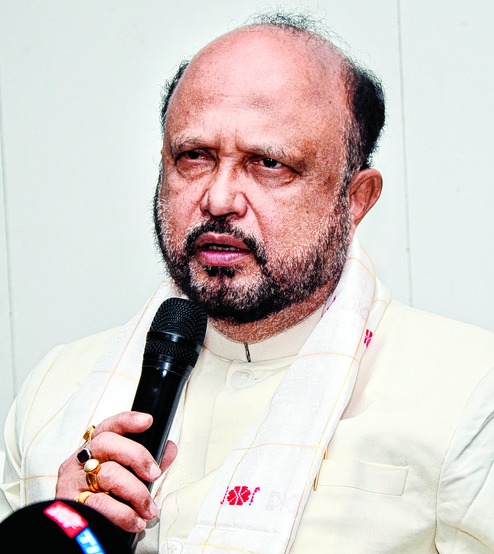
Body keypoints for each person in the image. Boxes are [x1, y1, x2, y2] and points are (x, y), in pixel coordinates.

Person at [1, 10, 494, 554]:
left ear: (355, 200)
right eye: (194, 157)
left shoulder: (468, 392)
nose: (218, 199)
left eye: (269, 163)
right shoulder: (55, 392)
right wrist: (68, 537)